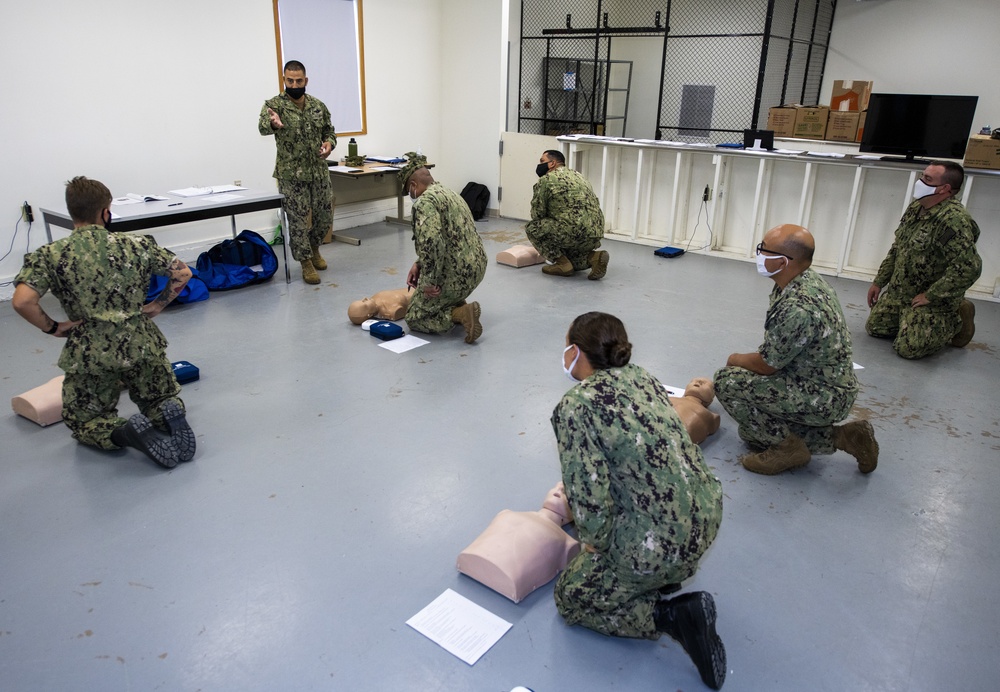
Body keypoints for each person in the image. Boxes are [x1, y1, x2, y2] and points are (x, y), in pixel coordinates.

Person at [552, 312, 726, 690]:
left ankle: (669, 616)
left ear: (576, 352)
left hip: (658, 544)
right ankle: (663, 578)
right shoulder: (644, 377)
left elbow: (593, 515)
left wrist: (593, 546)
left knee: (571, 597)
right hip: (706, 515)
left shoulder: (576, 406)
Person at [12, 176, 196, 468]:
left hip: (91, 351)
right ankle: (167, 410)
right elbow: (183, 272)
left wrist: (53, 327)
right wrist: (158, 304)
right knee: (160, 396)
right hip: (141, 342)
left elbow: (22, 301)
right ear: (105, 212)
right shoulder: (137, 244)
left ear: (73, 213)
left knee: (87, 419)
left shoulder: (50, 255)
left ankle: (123, 434)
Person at [713, 224, 878, 476]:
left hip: (822, 395)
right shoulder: (801, 279)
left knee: (727, 382)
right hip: (821, 381)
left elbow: (767, 365)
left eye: (763, 250)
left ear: (784, 261)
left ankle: (787, 448)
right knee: (751, 431)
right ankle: (845, 437)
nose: (759, 255)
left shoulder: (798, 305)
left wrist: (734, 359)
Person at [865, 161, 982, 359]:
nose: (920, 181)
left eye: (927, 179)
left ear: (944, 189)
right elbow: (897, 248)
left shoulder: (953, 220)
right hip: (903, 292)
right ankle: (910, 319)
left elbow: (970, 267)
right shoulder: (916, 208)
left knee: (908, 348)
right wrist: (879, 281)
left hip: (931, 298)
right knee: (876, 327)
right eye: (922, 175)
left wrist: (931, 295)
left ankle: (956, 317)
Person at [259, 59, 337, 285]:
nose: (294, 84)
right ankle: (305, 262)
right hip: (291, 175)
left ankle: (314, 249)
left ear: (306, 80)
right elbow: (263, 126)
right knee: (298, 222)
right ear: (284, 80)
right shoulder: (274, 105)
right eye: (290, 80)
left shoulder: (318, 106)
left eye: (299, 80)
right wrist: (273, 124)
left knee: (324, 217)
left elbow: (329, 132)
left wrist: (329, 144)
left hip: (319, 172)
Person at [400, 159, 487, 344]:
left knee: (415, 316)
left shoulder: (424, 203)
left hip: (457, 274)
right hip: (477, 268)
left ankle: (460, 313)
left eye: (408, 190)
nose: (410, 194)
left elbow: (431, 244)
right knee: (431, 300)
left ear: (414, 185)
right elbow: (449, 236)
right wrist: (418, 264)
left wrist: (429, 283)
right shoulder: (450, 193)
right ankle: (456, 302)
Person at [457, 483, 581, 603]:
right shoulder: (506, 513)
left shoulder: (568, 544)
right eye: (556, 487)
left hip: (510, 580)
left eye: (565, 492)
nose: (557, 492)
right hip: (471, 556)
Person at [526, 150, 608, 279]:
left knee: (533, 228)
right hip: (595, 232)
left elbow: (537, 213)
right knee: (571, 257)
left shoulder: (546, 180)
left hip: (572, 231)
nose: (539, 164)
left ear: (552, 163)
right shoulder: (579, 176)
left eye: (542, 161)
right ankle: (594, 257)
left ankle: (561, 263)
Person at [669, 378, 722, 445]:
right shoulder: (667, 398)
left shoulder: (711, 417)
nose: (698, 382)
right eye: (692, 381)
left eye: (706, 383)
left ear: (711, 398)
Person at [347, 287, 414, 325]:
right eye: (365, 304)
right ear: (369, 315)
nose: (365, 299)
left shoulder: (374, 298)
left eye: (362, 300)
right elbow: (399, 311)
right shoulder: (389, 311)